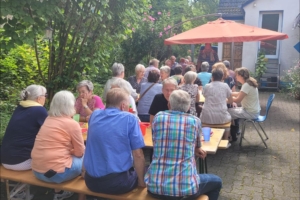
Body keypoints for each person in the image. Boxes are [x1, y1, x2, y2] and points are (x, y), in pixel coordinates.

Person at [145, 90, 222, 200]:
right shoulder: (195, 121)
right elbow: (198, 146)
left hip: (154, 187)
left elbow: (156, 139)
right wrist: (194, 148)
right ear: (188, 107)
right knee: (217, 181)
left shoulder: (158, 117)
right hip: (184, 190)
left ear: (169, 104)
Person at [83, 88, 146, 194]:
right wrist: (141, 182)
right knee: (146, 170)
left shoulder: (94, 115)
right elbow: (138, 154)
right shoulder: (130, 119)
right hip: (117, 183)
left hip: (91, 181)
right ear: (123, 105)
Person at [31, 90, 85, 200]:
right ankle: (83, 191)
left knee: (60, 158)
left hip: (37, 171)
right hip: (57, 174)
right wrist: (72, 151)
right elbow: (80, 153)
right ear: (71, 105)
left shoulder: (48, 119)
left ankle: (58, 191)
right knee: (87, 153)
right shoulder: (72, 124)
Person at [1, 85, 48, 199]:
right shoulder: (39, 110)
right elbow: (50, 134)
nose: (46, 98)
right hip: (21, 162)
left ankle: (19, 191)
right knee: (52, 155)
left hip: (4, 158)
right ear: (38, 98)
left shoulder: (20, 107)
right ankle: (57, 190)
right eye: (45, 96)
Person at [200, 67, 233, 144]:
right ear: (222, 77)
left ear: (213, 77)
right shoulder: (225, 86)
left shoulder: (207, 86)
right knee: (228, 121)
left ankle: (207, 138)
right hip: (222, 117)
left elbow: (205, 96)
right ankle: (225, 140)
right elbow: (231, 101)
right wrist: (223, 100)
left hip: (206, 117)